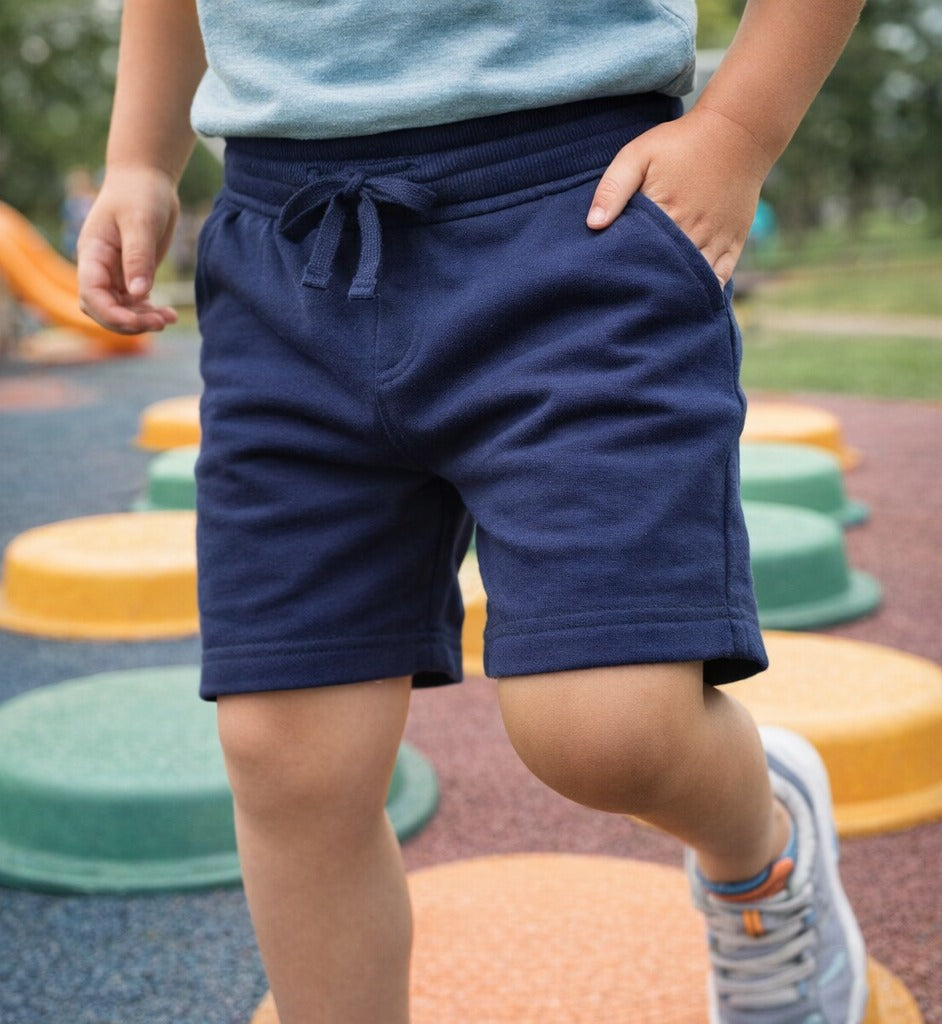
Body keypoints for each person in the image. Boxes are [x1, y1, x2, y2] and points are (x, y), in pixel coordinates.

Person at [78, 2, 868, 1022]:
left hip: (576, 213)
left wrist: (737, 133)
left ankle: (760, 854)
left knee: (608, 731)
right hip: (285, 248)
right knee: (287, 756)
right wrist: (139, 155)